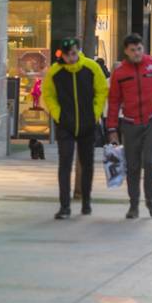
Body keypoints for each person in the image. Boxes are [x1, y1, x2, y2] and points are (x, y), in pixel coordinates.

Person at [106, 33, 152, 219]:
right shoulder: (120, 72)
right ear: (126, 51)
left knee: (150, 163)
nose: (137, 53)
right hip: (129, 123)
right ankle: (133, 205)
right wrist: (112, 129)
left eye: (139, 49)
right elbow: (113, 101)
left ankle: (150, 201)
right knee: (133, 166)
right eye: (133, 50)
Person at [41, 39, 108, 219]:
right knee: (65, 163)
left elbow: (101, 90)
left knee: (87, 164)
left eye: (73, 53)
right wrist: (58, 114)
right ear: (61, 54)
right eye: (66, 54)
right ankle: (65, 206)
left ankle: (86, 201)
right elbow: (47, 94)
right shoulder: (55, 72)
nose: (70, 57)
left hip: (87, 124)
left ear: (78, 51)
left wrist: (95, 113)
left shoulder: (91, 68)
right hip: (65, 125)